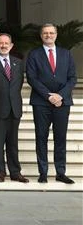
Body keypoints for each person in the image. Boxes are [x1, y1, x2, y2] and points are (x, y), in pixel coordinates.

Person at [26, 23, 77, 184]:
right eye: (45, 33)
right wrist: (49, 96)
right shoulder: (34, 54)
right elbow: (32, 78)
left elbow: (72, 78)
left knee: (60, 138)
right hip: (41, 102)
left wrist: (60, 96)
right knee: (41, 137)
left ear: (56, 35)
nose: (48, 35)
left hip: (62, 103)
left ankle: (60, 172)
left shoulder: (66, 54)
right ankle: (43, 172)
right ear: (41, 36)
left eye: (51, 33)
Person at [0, 33, 29, 183]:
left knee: (13, 142)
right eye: (0, 43)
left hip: (14, 108)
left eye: (6, 43)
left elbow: (18, 85)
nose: (3, 45)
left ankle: (15, 172)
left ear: (11, 45)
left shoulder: (18, 63)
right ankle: (0, 171)